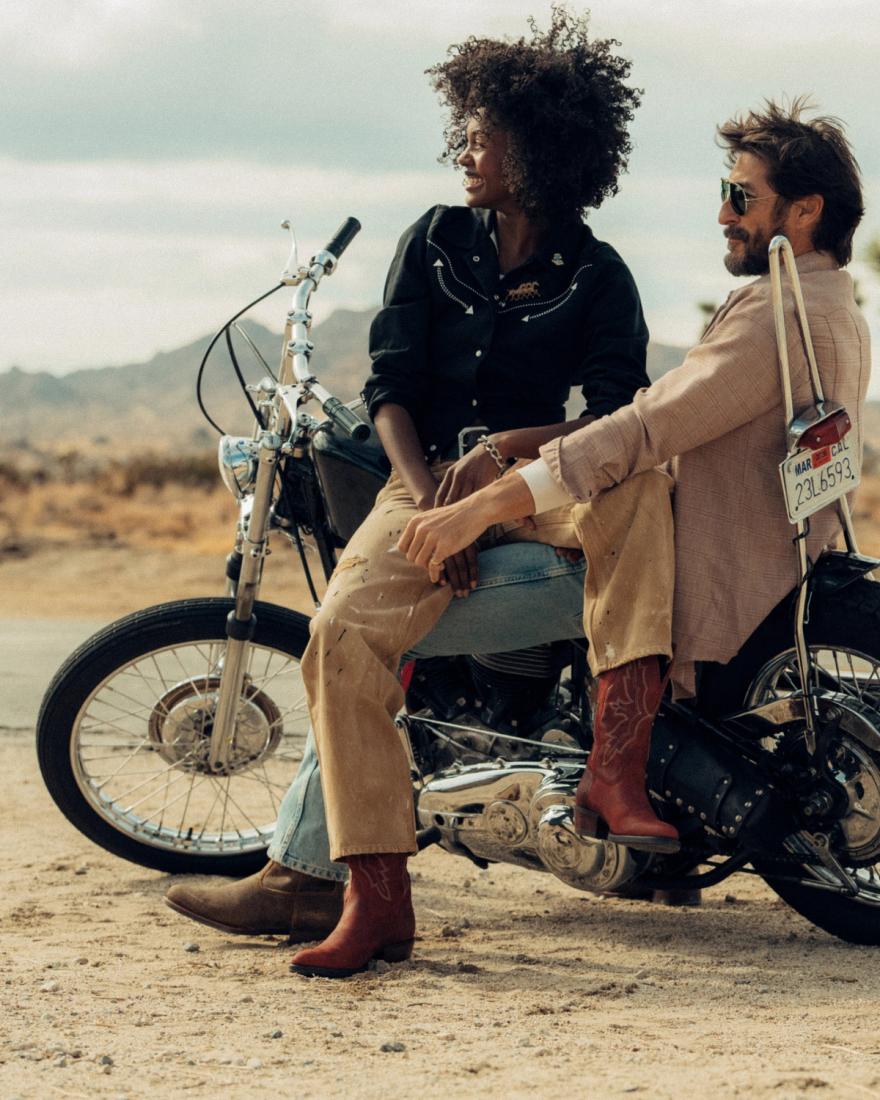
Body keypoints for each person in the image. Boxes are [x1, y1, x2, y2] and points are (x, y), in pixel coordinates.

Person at [167, 8, 658, 954]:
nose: (467, 151)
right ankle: (373, 899)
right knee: (338, 633)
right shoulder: (434, 238)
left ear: (543, 149)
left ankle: (618, 766)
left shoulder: (598, 274)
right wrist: (433, 495)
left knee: (639, 491)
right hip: (422, 481)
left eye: (487, 135)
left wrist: (502, 456)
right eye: (465, 132)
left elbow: (614, 414)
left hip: (545, 482)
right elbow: (388, 389)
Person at [399, 96, 868, 943]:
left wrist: (485, 503)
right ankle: (649, 830)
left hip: (715, 565)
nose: (722, 213)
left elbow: (645, 428)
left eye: (741, 196)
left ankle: (591, 773)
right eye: (722, 192)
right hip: (781, 557)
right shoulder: (835, 303)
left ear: (804, 212)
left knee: (386, 608)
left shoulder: (771, 312)